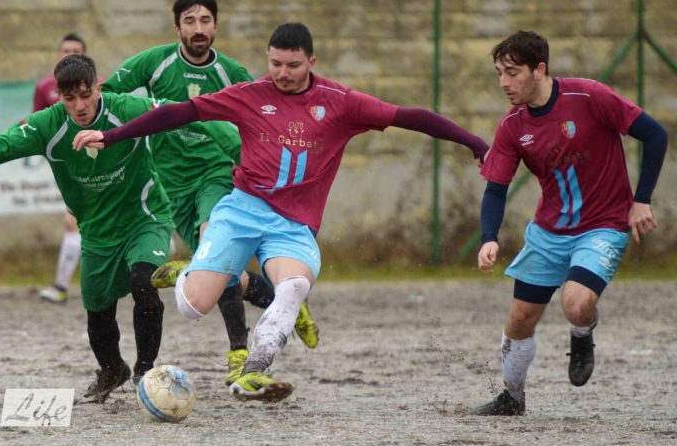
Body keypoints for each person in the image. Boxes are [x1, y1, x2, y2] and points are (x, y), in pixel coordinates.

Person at [73, 22, 490, 402]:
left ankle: (253, 370)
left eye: (293, 65)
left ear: (312, 62)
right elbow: (179, 112)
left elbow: (411, 117)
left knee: (294, 286)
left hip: (292, 224)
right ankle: (190, 272)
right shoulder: (250, 95)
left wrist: (473, 142)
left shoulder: (341, 102)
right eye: (275, 64)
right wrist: (111, 136)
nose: (282, 73)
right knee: (191, 307)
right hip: (241, 211)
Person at [100, 0, 319, 386]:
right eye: (190, 21)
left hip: (217, 173)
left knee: (212, 250)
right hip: (171, 183)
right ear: (177, 27)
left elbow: (267, 117)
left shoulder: (232, 72)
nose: (198, 28)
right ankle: (281, 299)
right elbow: (108, 96)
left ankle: (239, 355)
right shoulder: (154, 62)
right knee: (218, 271)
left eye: (205, 21)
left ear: (216, 25)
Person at [0, 54, 174, 402]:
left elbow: (180, 112)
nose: (80, 106)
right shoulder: (48, 124)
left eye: (86, 94)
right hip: (97, 231)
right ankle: (112, 369)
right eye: (70, 98)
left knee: (144, 282)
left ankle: (145, 372)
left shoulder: (126, 108)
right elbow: (6, 142)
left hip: (145, 217)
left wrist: (231, 130)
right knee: (97, 309)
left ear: (98, 87)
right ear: (59, 96)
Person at [471, 30, 667, 416]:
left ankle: (582, 333)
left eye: (512, 73)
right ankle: (512, 398)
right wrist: (488, 237)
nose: (504, 83)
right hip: (548, 232)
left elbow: (655, 135)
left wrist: (641, 200)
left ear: (539, 69)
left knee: (576, 304)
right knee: (519, 319)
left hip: (603, 225)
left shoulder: (590, 96)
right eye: (499, 73)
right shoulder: (512, 126)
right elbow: (495, 190)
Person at [33, 32, 88, 304]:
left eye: (76, 51)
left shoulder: (99, 86)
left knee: (72, 222)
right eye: (66, 50)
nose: (70, 54)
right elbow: (37, 126)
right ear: (58, 55)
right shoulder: (45, 87)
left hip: (93, 162)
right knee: (79, 223)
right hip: (66, 166)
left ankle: (61, 286)